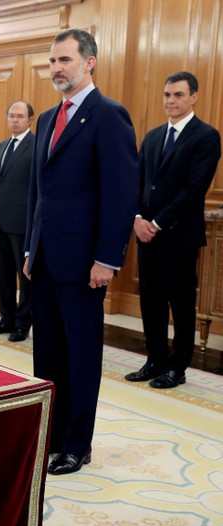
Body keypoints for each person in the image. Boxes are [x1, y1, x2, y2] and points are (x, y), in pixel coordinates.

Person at [23, 29, 138, 475]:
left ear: (89, 62)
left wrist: (107, 258)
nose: (56, 68)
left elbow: (120, 193)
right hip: (47, 258)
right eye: (52, 61)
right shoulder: (50, 118)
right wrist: (32, 248)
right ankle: (49, 434)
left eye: (65, 60)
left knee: (81, 354)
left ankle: (77, 443)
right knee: (47, 352)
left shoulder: (109, 116)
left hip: (85, 262)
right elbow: (40, 192)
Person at [126, 71, 221, 389]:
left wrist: (156, 223)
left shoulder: (206, 136)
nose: (171, 101)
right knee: (150, 300)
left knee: (180, 304)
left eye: (178, 95)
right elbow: (139, 182)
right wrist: (138, 218)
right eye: (167, 94)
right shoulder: (153, 136)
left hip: (178, 235)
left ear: (194, 97)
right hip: (146, 234)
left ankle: (177, 366)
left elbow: (194, 189)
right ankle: (154, 360)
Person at [0, 101, 35, 342]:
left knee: (24, 278)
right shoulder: (1, 146)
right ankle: (6, 317)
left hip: (23, 223)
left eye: (20, 116)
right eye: (11, 116)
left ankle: (22, 323)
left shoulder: (35, 146)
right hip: (0, 223)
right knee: (2, 274)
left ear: (30, 120)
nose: (15, 120)